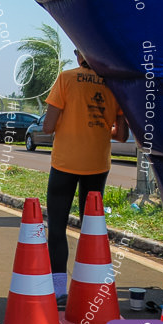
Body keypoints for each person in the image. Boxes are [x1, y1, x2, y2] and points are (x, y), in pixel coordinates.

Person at [43, 49, 128, 306]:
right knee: (91, 229)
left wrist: (71, 122)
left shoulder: (66, 79)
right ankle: (90, 291)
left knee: (57, 227)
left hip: (65, 164)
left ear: (78, 53)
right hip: (97, 166)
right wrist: (101, 125)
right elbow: (122, 135)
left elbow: (47, 127)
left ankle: (59, 291)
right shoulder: (114, 84)